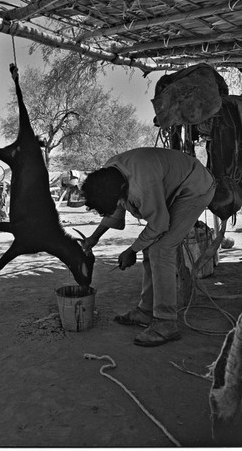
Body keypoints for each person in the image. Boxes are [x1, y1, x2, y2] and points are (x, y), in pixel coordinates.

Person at [81, 147, 216, 347]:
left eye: (119, 201)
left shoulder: (142, 185)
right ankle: (146, 311)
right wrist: (93, 238)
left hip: (195, 188)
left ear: (121, 193)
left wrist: (131, 250)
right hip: (173, 185)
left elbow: (159, 224)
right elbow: (114, 210)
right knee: (151, 245)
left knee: (161, 249)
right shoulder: (110, 173)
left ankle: (166, 323)